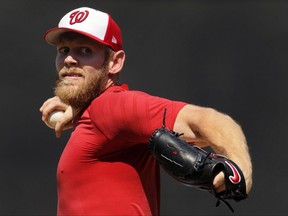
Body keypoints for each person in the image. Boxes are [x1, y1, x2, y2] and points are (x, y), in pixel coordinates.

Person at [39, 7, 252, 216]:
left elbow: (212, 121)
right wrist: (78, 108)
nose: (69, 59)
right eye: (63, 50)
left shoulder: (111, 108)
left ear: (115, 62)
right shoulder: (94, 115)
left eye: (84, 50)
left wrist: (240, 168)